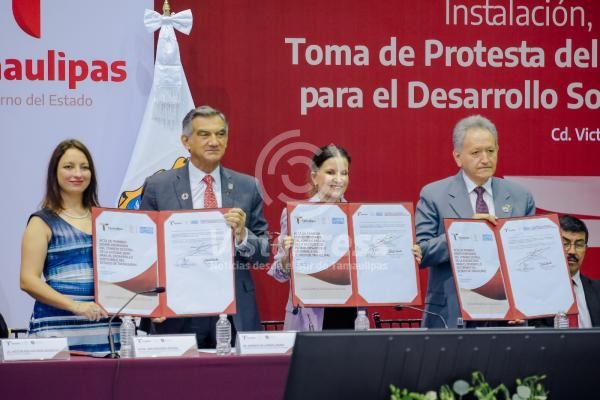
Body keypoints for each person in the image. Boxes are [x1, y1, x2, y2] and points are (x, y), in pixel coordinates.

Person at [139, 105, 270, 347]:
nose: (214, 141)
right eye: (204, 134)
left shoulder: (247, 186)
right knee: (177, 372)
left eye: (220, 134)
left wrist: (243, 235)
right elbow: (144, 251)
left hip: (233, 309)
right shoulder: (159, 186)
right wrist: (151, 303)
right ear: (186, 141)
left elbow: (263, 254)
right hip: (177, 308)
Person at [268, 145, 422, 330]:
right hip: (311, 316)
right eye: (331, 172)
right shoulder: (295, 214)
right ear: (314, 176)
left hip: (352, 314)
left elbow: (376, 263)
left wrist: (406, 257)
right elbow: (278, 274)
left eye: (344, 173)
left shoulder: (360, 217)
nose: (339, 179)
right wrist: (288, 257)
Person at [415, 115, 535, 328]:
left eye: (490, 151)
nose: (485, 159)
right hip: (451, 313)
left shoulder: (520, 197)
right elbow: (422, 253)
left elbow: (529, 258)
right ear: (458, 157)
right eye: (476, 152)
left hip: (507, 315)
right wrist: (465, 232)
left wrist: (524, 304)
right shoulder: (434, 194)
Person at [20, 139, 119, 352]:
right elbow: (28, 280)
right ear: (54, 173)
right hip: (56, 331)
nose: (78, 173)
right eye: (68, 166)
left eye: (84, 167)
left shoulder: (107, 220)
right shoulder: (42, 222)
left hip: (104, 330)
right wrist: (76, 306)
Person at [559, 215, 600, 327]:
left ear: (585, 249)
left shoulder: (598, 290)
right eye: (565, 243)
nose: (572, 251)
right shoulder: (537, 291)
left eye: (579, 245)